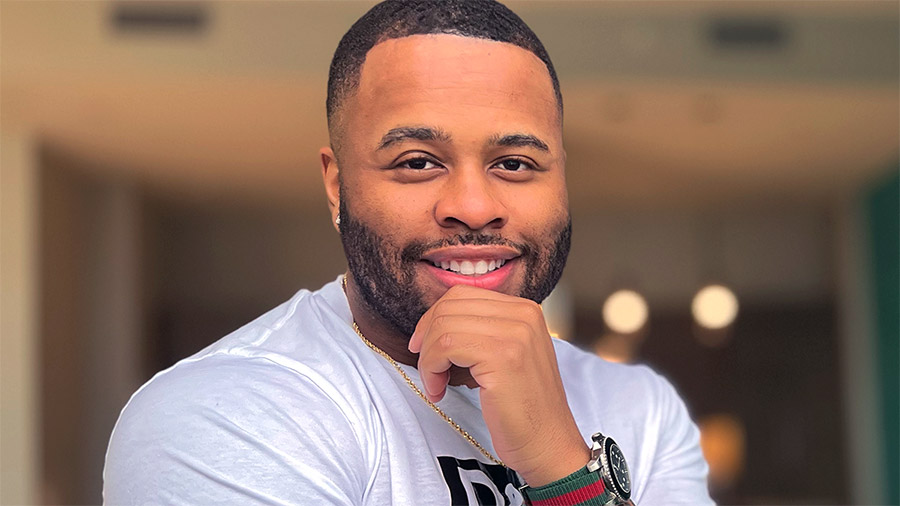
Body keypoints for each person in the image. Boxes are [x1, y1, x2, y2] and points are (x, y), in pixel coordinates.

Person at [103, 1, 713, 504]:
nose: (474, 207)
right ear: (337, 185)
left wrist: (563, 468)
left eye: (515, 163)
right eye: (418, 162)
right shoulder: (222, 416)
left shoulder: (642, 410)